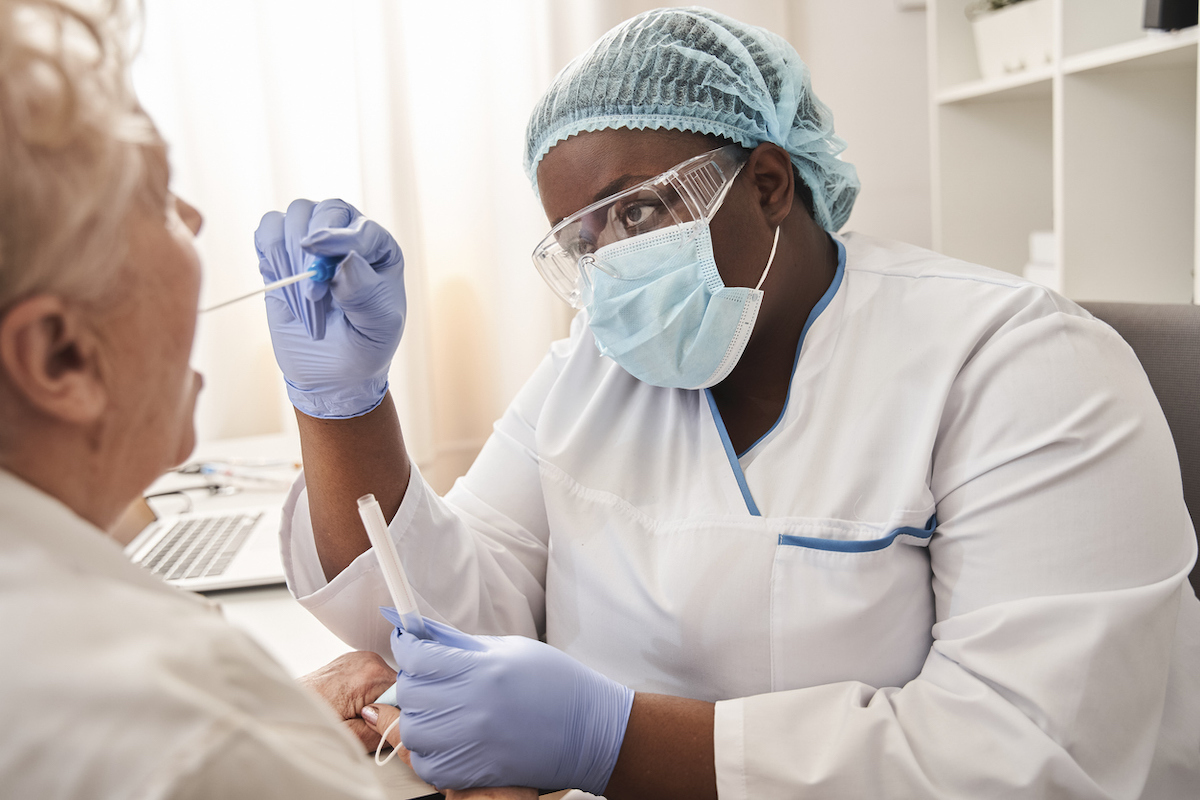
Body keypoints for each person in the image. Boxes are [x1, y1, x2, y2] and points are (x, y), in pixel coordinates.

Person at [258, 7, 1200, 799]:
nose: (612, 263)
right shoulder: (591, 369)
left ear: (769, 184)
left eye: (636, 212)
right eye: (579, 241)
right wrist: (343, 407)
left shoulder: (1017, 363)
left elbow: (1026, 757)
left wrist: (608, 738)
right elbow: (452, 608)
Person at [0, 2, 531, 798]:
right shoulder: (185, 725)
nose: (195, 218)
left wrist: (279, 739)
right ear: (61, 356)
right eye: (155, 199)